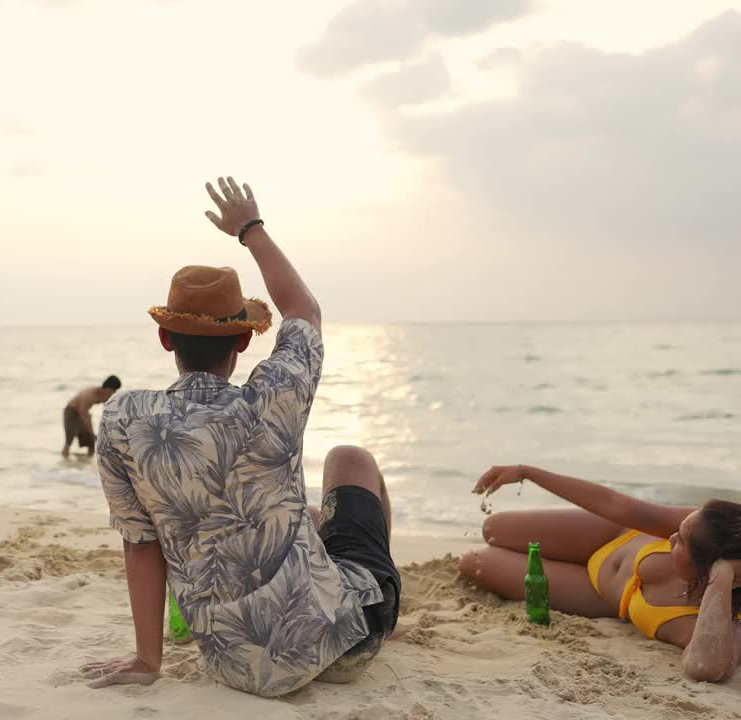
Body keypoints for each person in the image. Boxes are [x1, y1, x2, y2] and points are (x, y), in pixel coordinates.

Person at [79, 177, 400, 697]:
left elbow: (141, 545)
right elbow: (305, 312)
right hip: (339, 642)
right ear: (245, 339)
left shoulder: (123, 420)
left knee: (309, 517)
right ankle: (386, 609)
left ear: (166, 339)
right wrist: (250, 227)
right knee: (350, 458)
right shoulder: (270, 399)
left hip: (236, 664)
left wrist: (146, 658)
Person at [461, 464, 741, 682]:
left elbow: (704, 667)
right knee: (494, 529)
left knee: (474, 562)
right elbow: (614, 505)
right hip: (609, 536)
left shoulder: (718, 622)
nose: (669, 538)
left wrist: (723, 575)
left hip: (597, 593)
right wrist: (527, 472)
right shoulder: (706, 527)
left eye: (680, 540)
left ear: (709, 567)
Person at [62, 376, 122, 457]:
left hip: (84, 413)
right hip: (71, 412)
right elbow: (82, 414)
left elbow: (109, 412)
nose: (114, 392)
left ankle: (88, 464)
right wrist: (91, 432)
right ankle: (64, 461)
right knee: (69, 440)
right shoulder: (89, 394)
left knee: (91, 443)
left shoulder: (106, 396)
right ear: (107, 388)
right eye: (114, 390)